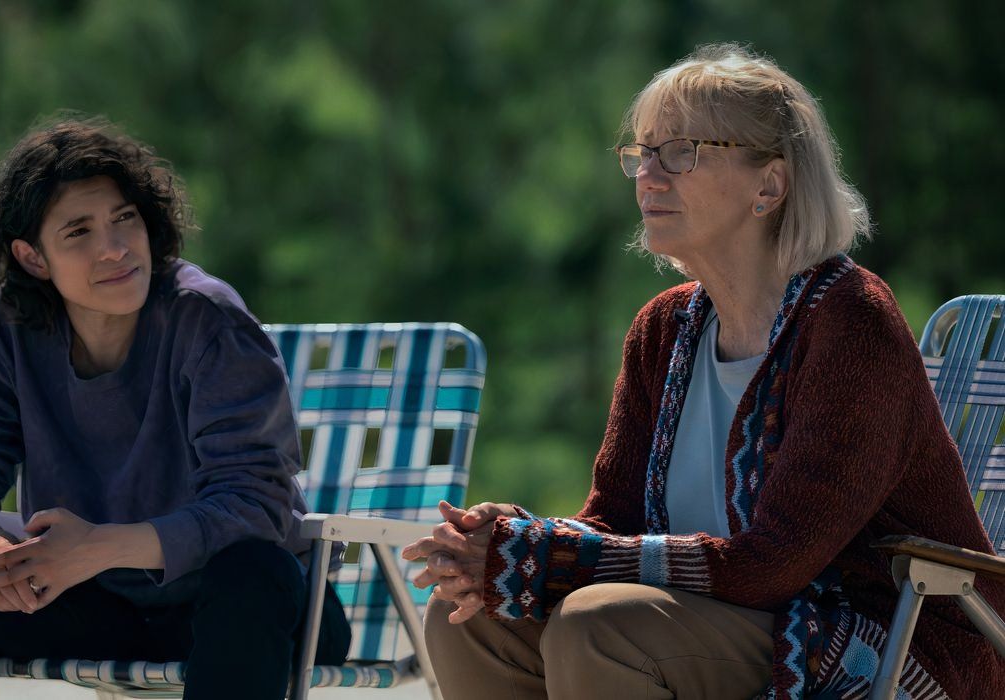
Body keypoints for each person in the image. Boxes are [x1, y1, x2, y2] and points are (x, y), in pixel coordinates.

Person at [403, 44, 1005, 699]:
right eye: (642, 153)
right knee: (469, 616)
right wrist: (521, 536)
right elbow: (615, 522)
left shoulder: (851, 322)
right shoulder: (663, 330)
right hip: (717, 624)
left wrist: (546, 556)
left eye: (682, 151)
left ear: (769, 185)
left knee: (597, 626)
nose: (649, 177)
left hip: (872, 640)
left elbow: (775, 563)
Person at [0, 116, 350, 700]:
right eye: (78, 232)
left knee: (253, 569)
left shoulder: (208, 321)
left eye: (124, 218)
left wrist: (94, 548)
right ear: (32, 257)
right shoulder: (1, 333)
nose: (115, 248)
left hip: (254, 612)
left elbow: (256, 508)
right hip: (103, 606)